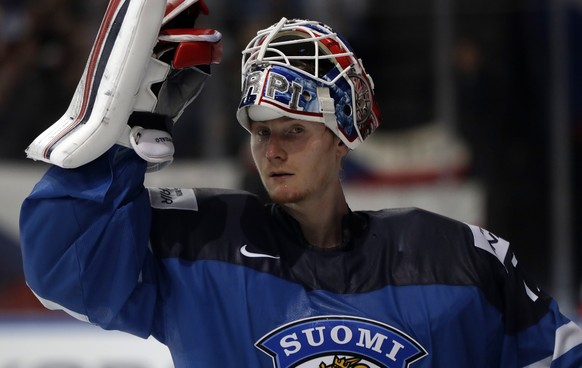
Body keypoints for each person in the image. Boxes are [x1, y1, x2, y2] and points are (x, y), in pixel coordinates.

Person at [19, 3, 582, 367]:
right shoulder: (198, 244)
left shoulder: (457, 259)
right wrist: (118, 141)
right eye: (261, 133)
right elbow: (64, 276)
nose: (273, 150)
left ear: (343, 138)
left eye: (294, 131)